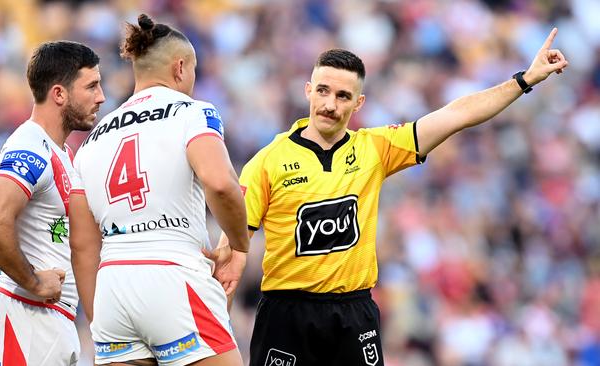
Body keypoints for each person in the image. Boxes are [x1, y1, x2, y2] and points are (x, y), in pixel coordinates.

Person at [211, 28, 568, 365]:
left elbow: (454, 116)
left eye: (343, 96)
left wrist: (523, 80)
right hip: (287, 311)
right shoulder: (268, 162)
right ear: (307, 90)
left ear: (359, 102)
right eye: (322, 90)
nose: (330, 104)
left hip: (353, 311)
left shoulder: (374, 149)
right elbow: (236, 243)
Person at [68, 14, 249, 366]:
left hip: (112, 287)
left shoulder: (92, 139)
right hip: (173, 274)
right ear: (180, 68)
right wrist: (238, 244)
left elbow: (82, 243)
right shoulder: (193, 113)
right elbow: (220, 183)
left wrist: (100, 321)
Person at [0, 40, 105, 365]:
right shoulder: (31, 147)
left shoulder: (60, 152)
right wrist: (31, 281)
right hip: (25, 317)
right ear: (59, 94)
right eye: (91, 86)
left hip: (50, 321)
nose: (101, 96)